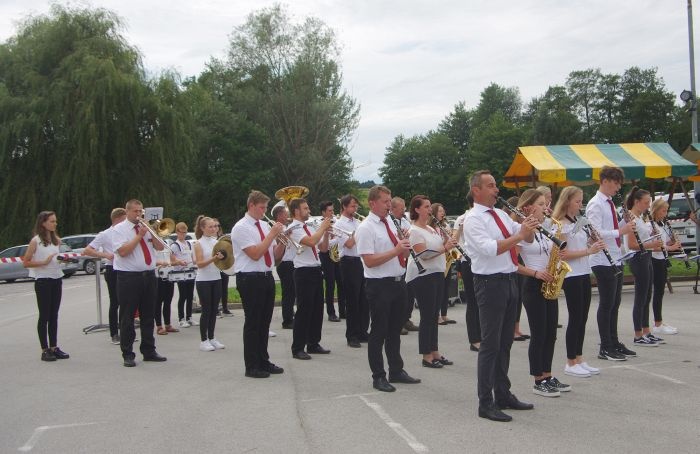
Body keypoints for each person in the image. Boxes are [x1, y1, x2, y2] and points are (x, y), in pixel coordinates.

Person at [463, 170, 536, 422]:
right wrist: (518, 234)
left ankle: (503, 394)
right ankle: (486, 402)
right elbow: (489, 249)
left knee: (505, 343)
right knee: (490, 346)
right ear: (477, 191)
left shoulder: (502, 214)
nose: (497, 190)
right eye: (491, 186)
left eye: (495, 185)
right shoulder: (473, 219)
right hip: (489, 283)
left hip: (509, 280)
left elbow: (526, 240)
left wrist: (532, 224)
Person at [355, 185, 421, 392]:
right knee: (379, 331)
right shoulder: (366, 227)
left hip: (397, 282)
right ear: (372, 203)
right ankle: (378, 376)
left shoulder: (391, 223)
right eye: (385, 202)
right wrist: (396, 250)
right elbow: (369, 261)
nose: (389, 205)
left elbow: (402, 255)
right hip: (379, 285)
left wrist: (405, 246)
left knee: (394, 330)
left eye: (389, 201)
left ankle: (396, 370)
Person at [516, 189, 570, 397]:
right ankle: (538, 380)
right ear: (528, 207)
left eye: (545, 203)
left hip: (549, 282)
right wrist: (536, 273)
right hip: (532, 284)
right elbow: (513, 264)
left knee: (551, 333)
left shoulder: (543, 228)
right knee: (539, 334)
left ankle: (547, 375)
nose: (545, 207)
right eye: (540, 203)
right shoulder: (522, 230)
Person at [231, 190, 285, 378]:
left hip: (266, 276)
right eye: (261, 207)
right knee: (253, 323)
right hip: (249, 278)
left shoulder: (263, 225)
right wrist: (272, 235)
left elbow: (275, 256)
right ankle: (251, 366)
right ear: (251, 205)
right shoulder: (241, 227)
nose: (264, 211)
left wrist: (284, 241)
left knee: (264, 323)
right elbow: (255, 254)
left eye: (266, 207)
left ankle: (263, 360)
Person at [552, 187, 605, 378]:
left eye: (581, 200)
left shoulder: (579, 222)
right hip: (571, 276)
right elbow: (563, 254)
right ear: (566, 202)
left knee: (583, 317)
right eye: (577, 201)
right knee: (575, 318)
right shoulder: (561, 224)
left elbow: (582, 245)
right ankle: (570, 361)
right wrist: (588, 252)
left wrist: (593, 243)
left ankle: (579, 358)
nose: (580, 204)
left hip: (584, 272)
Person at [585, 166, 635, 361]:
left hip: (615, 256)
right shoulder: (595, 204)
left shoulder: (610, 203)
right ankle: (605, 346)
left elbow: (613, 228)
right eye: (615, 183)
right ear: (605, 181)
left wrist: (623, 223)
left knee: (615, 303)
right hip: (602, 259)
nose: (617, 187)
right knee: (606, 304)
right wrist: (620, 232)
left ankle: (613, 342)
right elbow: (594, 232)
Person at [112, 199, 167, 367]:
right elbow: (122, 251)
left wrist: (154, 231)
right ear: (127, 212)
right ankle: (128, 353)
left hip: (149, 275)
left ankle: (149, 350)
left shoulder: (147, 227)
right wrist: (139, 235)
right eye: (135, 211)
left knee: (148, 315)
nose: (139, 214)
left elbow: (159, 247)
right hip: (129, 277)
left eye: (140, 211)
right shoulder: (119, 230)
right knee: (127, 317)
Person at [406, 195, 456, 369]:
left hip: (436, 273)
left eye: (429, 206)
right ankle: (426, 355)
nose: (429, 209)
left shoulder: (431, 228)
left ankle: (434, 351)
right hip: (422, 276)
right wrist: (445, 247)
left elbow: (438, 247)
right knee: (427, 316)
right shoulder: (414, 231)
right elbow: (424, 254)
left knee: (434, 315)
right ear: (417, 209)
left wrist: (449, 239)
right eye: (426, 206)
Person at [22, 211, 70, 362]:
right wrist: (43, 263)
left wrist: (62, 261)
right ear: (43, 223)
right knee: (44, 315)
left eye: (55, 221)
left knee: (54, 314)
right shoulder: (36, 241)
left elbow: (55, 258)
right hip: (43, 280)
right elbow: (26, 262)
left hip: (56, 278)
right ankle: (45, 349)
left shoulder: (57, 240)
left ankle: (54, 346)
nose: (55, 224)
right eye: (52, 221)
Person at [288, 197, 332, 359]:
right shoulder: (294, 228)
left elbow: (323, 248)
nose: (309, 211)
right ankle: (298, 347)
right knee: (304, 310)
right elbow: (311, 242)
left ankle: (313, 343)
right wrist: (322, 227)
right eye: (305, 208)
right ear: (296, 211)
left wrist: (326, 234)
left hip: (315, 269)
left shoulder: (309, 226)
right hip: (303, 272)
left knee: (317, 309)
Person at [624, 187, 665, 347]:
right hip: (638, 258)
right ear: (636, 202)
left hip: (646, 256)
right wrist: (652, 243)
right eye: (646, 202)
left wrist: (654, 244)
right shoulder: (631, 219)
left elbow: (643, 242)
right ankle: (638, 334)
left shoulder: (640, 217)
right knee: (641, 297)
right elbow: (632, 245)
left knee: (647, 295)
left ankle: (646, 331)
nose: (648, 206)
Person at [84, 207, 127, 345]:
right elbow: (88, 250)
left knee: (125, 302)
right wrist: (105, 255)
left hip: (125, 268)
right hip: (112, 268)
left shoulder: (125, 232)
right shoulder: (105, 234)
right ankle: (114, 333)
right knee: (115, 302)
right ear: (117, 219)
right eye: (124, 219)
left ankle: (125, 331)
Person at [334, 194, 369, 348]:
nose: (355, 209)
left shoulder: (357, 222)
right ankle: (352, 335)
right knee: (352, 300)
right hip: (348, 262)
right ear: (344, 207)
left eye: (356, 206)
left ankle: (362, 331)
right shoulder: (339, 224)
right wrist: (359, 232)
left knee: (364, 299)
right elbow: (348, 244)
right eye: (352, 206)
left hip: (361, 261)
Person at [650, 199, 682, 336]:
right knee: (657, 292)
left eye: (666, 210)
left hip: (662, 259)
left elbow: (663, 242)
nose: (665, 213)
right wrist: (672, 247)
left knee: (660, 292)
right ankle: (657, 324)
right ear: (656, 210)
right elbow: (656, 247)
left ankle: (659, 321)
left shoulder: (662, 224)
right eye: (663, 210)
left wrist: (672, 241)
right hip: (655, 260)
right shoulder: (651, 225)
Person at [193, 215, 225, 352]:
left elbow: (222, 260)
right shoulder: (198, 243)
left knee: (214, 310)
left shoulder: (216, 241)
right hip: (203, 280)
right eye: (210, 226)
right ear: (202, 228)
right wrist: (214, 258)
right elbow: (199, 264)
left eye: (215, 226)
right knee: (206, 310)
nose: (214, 229)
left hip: (216, 278)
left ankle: (212, 337)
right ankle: (203, 340)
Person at [456, 193, 481, 352]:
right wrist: (461, 227)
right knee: (472, 301)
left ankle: (483, 335)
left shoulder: (484, 217)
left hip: (482, 262)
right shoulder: (462, 218)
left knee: (482, 301)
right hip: (468, 261)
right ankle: (474, 339)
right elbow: (455, 239)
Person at [390, 196, 418, 334]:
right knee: (397, 295)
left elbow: (412, 234)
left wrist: (409, 235)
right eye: (402, 208)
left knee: (409, 292)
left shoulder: (405, 221)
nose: (404, 210)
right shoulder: (389, 221)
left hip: (407, 259)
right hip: (394, 260)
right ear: (393, 208)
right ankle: (397, 322)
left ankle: (406, 319)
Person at [430, 202, 456, 325]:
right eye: (440, 211)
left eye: (443, 211)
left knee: (446, 288)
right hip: (437, 259)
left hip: (446, 259)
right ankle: (437, 316)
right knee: (437, 291)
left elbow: (447, 243)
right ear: (434, 213)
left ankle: (444, 314)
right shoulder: (431, 228)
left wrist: (448, 237)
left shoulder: (444, 226)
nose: (443, 213)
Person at [272, 204, 296, 329]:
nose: (288, 215)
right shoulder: (276, 228)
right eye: (285, 213)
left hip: (292, 262)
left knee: (292, 292)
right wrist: (285, 235)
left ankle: (291, 314)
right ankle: (287, 320)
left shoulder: (287, 226)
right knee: (288, 293)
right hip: (284, 263)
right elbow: (276, 244)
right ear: (279, 215)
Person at [318, 200, 342, 322]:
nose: (332, 213)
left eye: (333, 210)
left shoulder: (337, 223)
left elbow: (340, 238)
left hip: (336, 253)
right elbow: (323, 245)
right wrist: (335, 240)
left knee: (341, 282)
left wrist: (335, 240)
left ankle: (343, 310)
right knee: (330, 284)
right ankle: (331, 312)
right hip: (326, 255)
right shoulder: (319, 225)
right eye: (329, 211)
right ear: (323, 213)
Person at [169, 222, 196, 328]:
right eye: (182, 232)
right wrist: (179, 262)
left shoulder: (188, 244)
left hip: (190, 272)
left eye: (185, 232)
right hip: (180, 273)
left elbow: (191, 257)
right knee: (183, 296)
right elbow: (172, 258)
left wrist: (195, 262)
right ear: (177, 232)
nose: (184, 235)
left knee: (190, 296)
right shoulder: (174, 245)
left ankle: (189, 317)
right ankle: (181, 318)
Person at [213, 219, 234, 317]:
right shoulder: (211, 239)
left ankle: (225, 308)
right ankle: (216, 309)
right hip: (215, 266)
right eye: (214, 225)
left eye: (218, 225)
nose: (217, 227)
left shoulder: (223, 238)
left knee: (224, 287)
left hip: (224, 264)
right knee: (216, 288)